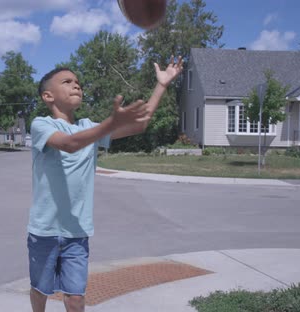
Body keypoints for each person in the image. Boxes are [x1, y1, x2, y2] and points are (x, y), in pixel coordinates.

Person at [28, 56, 184, 312]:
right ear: (48, 96)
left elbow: (140, 124)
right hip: (44, 230)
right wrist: (111, 122)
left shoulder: (89, 127)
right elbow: (70, 144)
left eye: (78, 82)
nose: (76, 85)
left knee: (75, 297)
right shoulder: (41, 125)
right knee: (40, 289)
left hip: (77, 231)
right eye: (67, 82)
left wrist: (162, 85)